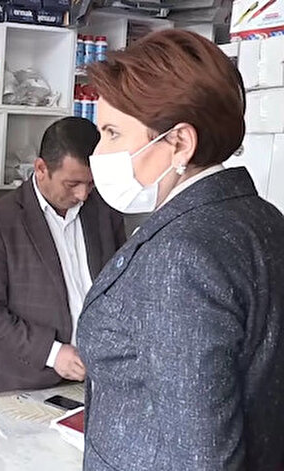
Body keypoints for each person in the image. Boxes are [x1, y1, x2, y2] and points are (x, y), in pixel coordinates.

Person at [77, 29, 284, 470]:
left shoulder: (181, 256)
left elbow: (202, 457)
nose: (99, 152)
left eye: (112, 133)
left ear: (180, 143)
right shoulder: (261, 218)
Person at [0, 117, 125, 395]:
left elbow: (120, 288)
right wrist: (52, 353)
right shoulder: (0, 220)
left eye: (91, 184)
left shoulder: (104, 212)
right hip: (20, 383)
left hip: (94, 378)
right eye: (72, 184)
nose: (82, 194)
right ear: (41, 169)